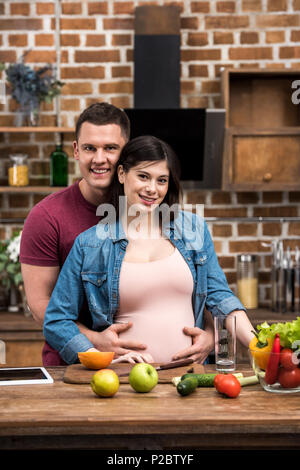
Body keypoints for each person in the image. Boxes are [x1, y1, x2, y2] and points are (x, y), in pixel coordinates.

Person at [20, 103, 215, 366]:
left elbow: (201, 288)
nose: (100, 159)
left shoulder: (155, 212)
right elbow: (41, 306)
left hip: (157, 373)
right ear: (76, 151)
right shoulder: (47, 217)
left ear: (126, 154)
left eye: (110, 148)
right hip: (72, 367)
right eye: (90, 148)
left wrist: (213, 335)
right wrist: (94, 341)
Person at [43, 135, 254, 365]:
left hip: (188, 380)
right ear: (122, 174)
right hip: (123, 382)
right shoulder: (90, 244)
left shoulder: (193, 230)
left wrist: (258, 347)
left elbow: (221, 298)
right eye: (143, 176)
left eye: (161, 180)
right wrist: (99, 357)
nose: (152, 189)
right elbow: (57, 320)